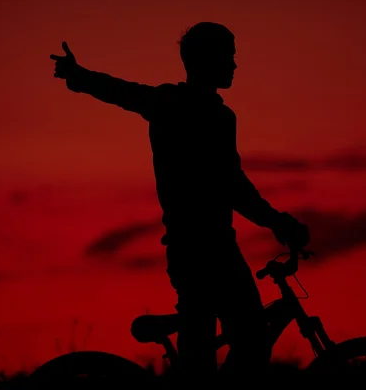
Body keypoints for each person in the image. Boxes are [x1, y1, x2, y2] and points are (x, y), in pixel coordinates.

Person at [50, 22, 310, 377]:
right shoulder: (171, 103)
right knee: (224, 351)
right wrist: (78, 76)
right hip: (194, 251)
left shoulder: (220, 115)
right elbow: (121, 92)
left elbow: (234, 185)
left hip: (219, 246)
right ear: (205, 60)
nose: (235, 65)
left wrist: (276, 221)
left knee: (247, 343)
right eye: (228, 57)